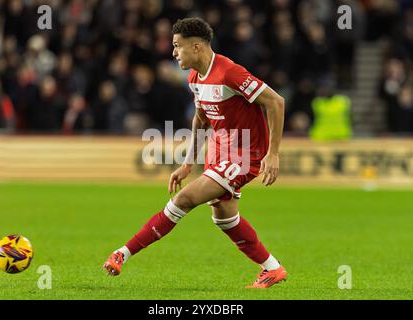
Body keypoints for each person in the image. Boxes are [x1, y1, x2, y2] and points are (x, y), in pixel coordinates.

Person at [103, 17, 287, 288]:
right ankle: (272, 269)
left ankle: (122, 253)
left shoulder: (229, 73)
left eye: (177, 46)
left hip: (245, 153)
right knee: (224, 216)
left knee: (185, 199)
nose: (173, 52)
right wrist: (188, 163)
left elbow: (276, 101)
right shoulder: (194, 79)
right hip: (220, 150)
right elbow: (201, 119)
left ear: (197, 47)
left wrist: (273, 154)